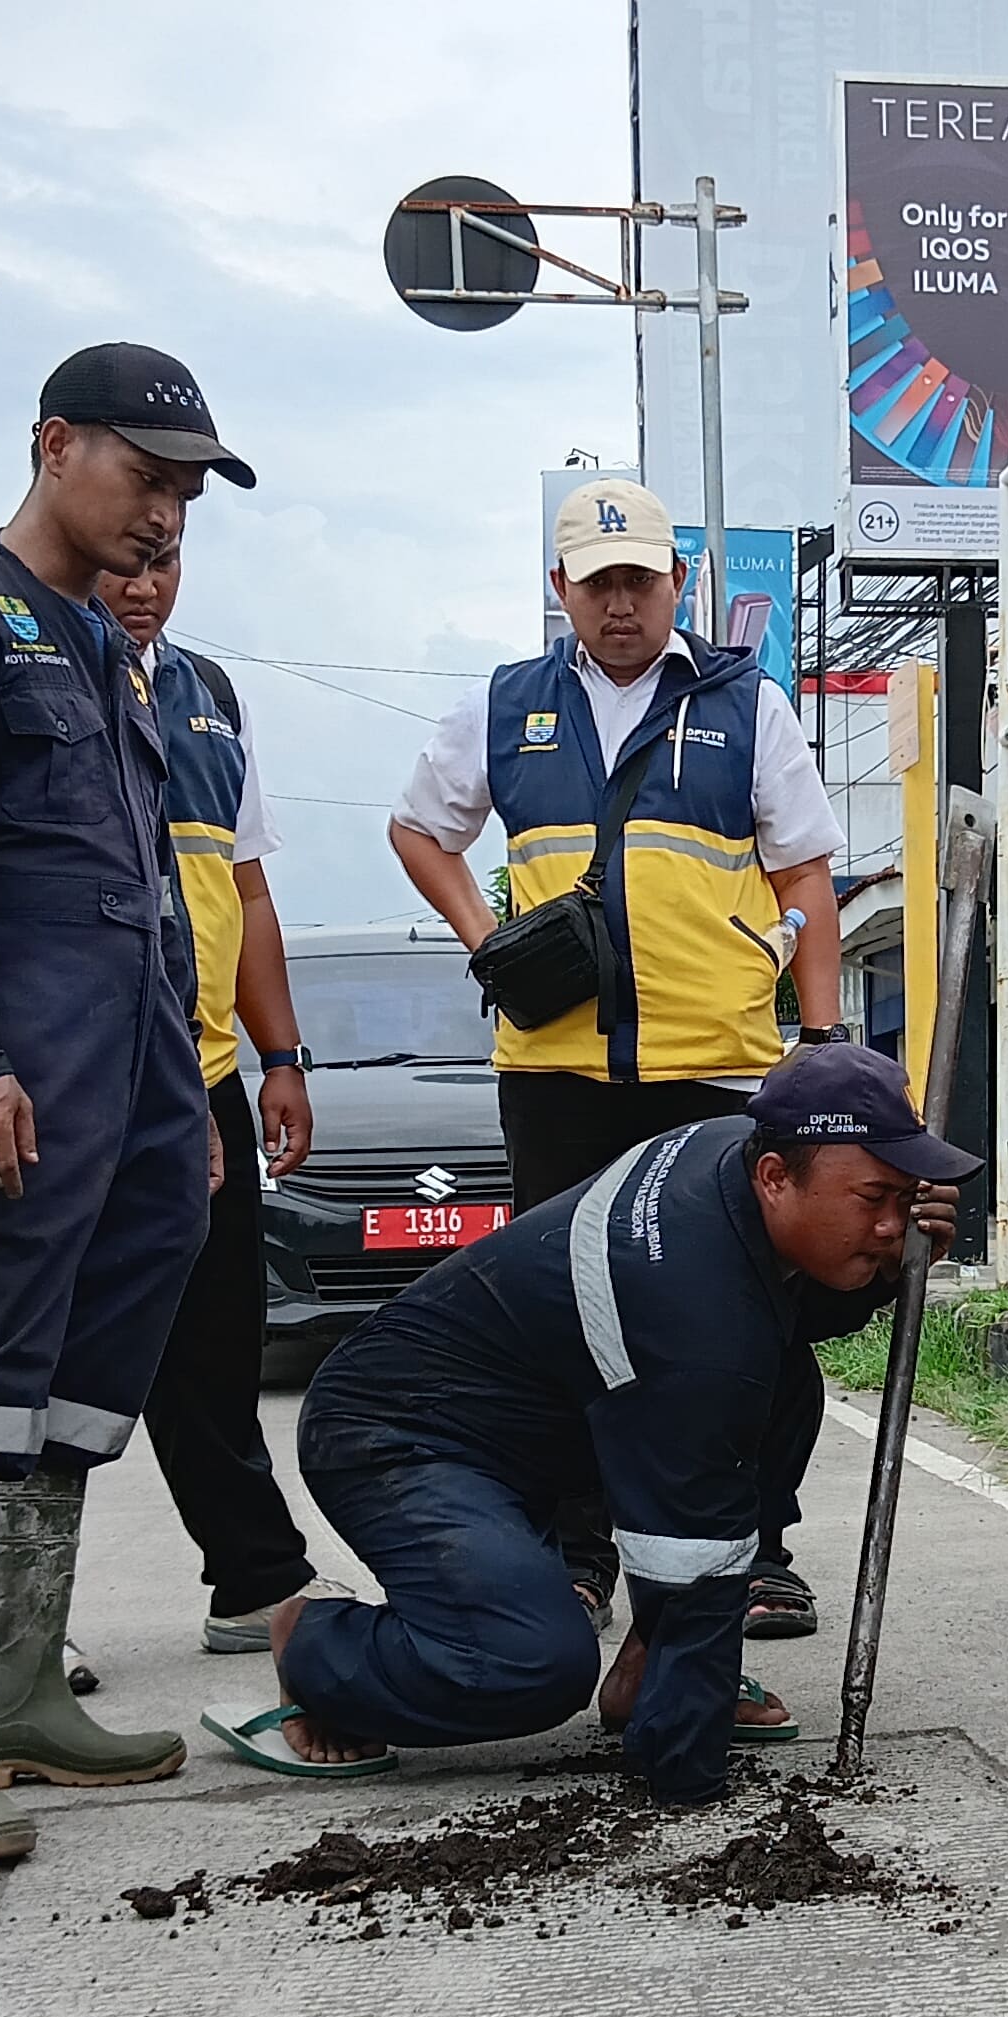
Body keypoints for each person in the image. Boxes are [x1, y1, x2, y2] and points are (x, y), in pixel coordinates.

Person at [0, 341, 256, 1865]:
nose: (164, 516)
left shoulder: (106, 648)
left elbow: (150, 884)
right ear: (51, 447)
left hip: (134, 1076)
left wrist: (177, 1112)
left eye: (182, 495)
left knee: (83, 1377)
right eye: (144, 479)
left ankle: (19, 1692)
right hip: (9, 1071)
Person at [200, 1044, 973, 1801]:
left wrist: (891, 1265)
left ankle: (646, 1673)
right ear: (775, 1178)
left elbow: (794, 1305)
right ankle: (317, 1644)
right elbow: (696, 1543)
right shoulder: (691, 1307)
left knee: (780, 1382)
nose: (890, 1224)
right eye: (874, 1200)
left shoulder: (745, 1144)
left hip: (543, 1419)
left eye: (906, 1199)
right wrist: (686, 1765)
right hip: (395, 1434)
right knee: (528, 1665)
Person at [386, 476, 851, 1644]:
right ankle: (582, 1552)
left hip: (721, 1074)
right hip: (557, 1079)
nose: (622, 603)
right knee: (573, 1328)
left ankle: (756, 1550)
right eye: (597, 584)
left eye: (642, 578)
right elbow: (418, 827)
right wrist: (488, 938)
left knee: (753, 1326)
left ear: (679, 582)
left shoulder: (749, 704)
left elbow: (805, 873)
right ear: (561, 591)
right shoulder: (507, 706)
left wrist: (824, 1039)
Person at [101, 541, 328, 1660]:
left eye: (167, 561)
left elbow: (243, 888)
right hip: (76, 1079)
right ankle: (11, 1630)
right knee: (43, 1356)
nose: (145, 584)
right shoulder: (16, 665)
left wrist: (278, 1053)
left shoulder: (208, 697)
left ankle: (253, 1577)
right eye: (128, 561)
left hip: (203, 1077)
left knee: (215, 1342)